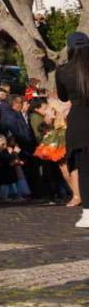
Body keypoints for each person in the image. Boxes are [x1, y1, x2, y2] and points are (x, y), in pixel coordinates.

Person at [55, 31, 89, 227]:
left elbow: (63, 97)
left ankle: (87, 213)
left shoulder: (63, 71)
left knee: (84, 170)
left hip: (79, 123)